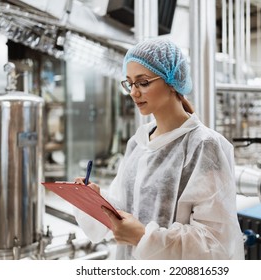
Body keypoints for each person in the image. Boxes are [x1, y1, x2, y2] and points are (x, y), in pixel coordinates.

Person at [74, 37, 244, 260]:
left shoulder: (204, 146)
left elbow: (215, 243)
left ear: (172, 82)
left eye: (143, 83)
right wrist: (97, 200)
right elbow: (129, 207)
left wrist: (143, 238)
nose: (134, 93)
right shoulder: (139, 142)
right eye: (130, 83)